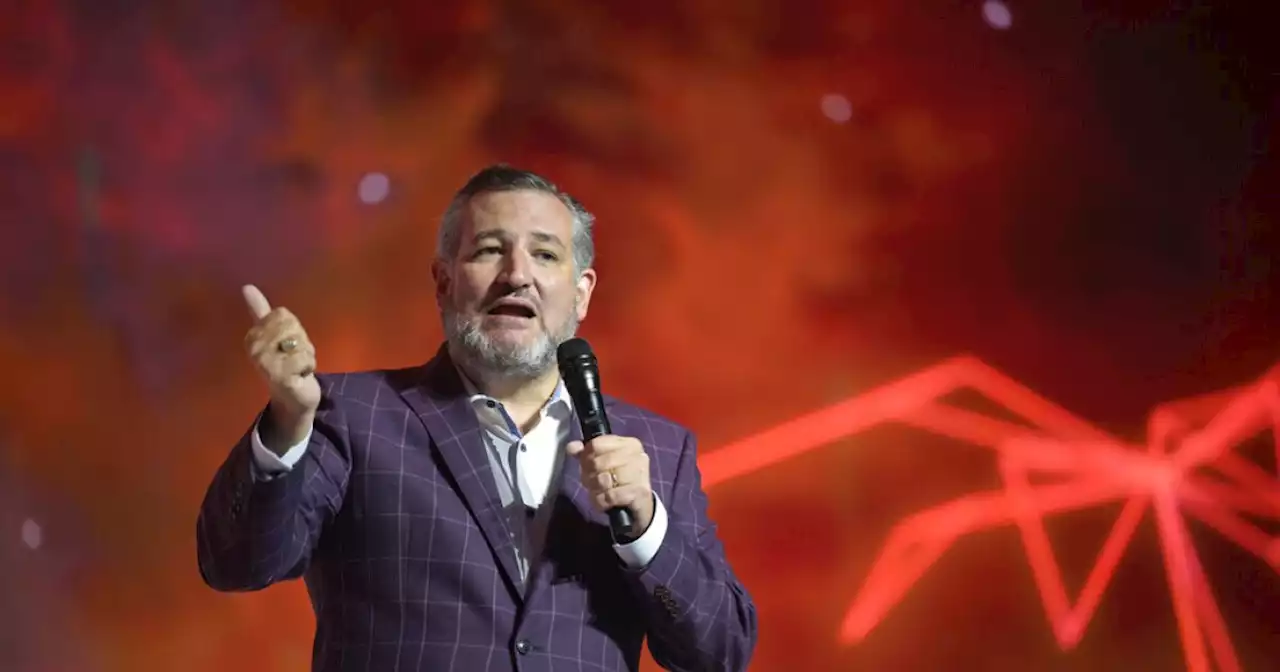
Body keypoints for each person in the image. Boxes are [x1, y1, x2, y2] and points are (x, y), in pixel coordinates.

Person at [196, 164, 758, 671]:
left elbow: (720, 650)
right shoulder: (353, 415)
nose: (517, 274)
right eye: (490, 249)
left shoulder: (658, 449)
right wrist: (288, 425)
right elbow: (236, 562)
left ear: (582, 293)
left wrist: (646, 527)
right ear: (443, 282)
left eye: (544, 254)